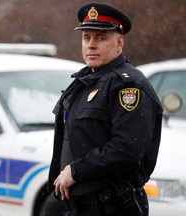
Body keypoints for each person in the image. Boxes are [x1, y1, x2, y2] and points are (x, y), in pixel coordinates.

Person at [48, 2, 163, 216]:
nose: (91, 45)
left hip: (113, 205)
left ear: (119, 43)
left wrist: (76, 170)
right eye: (86, 38)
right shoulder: (85, 81)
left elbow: (127, 149)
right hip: (80, 204)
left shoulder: (127, 85)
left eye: (100, 38)